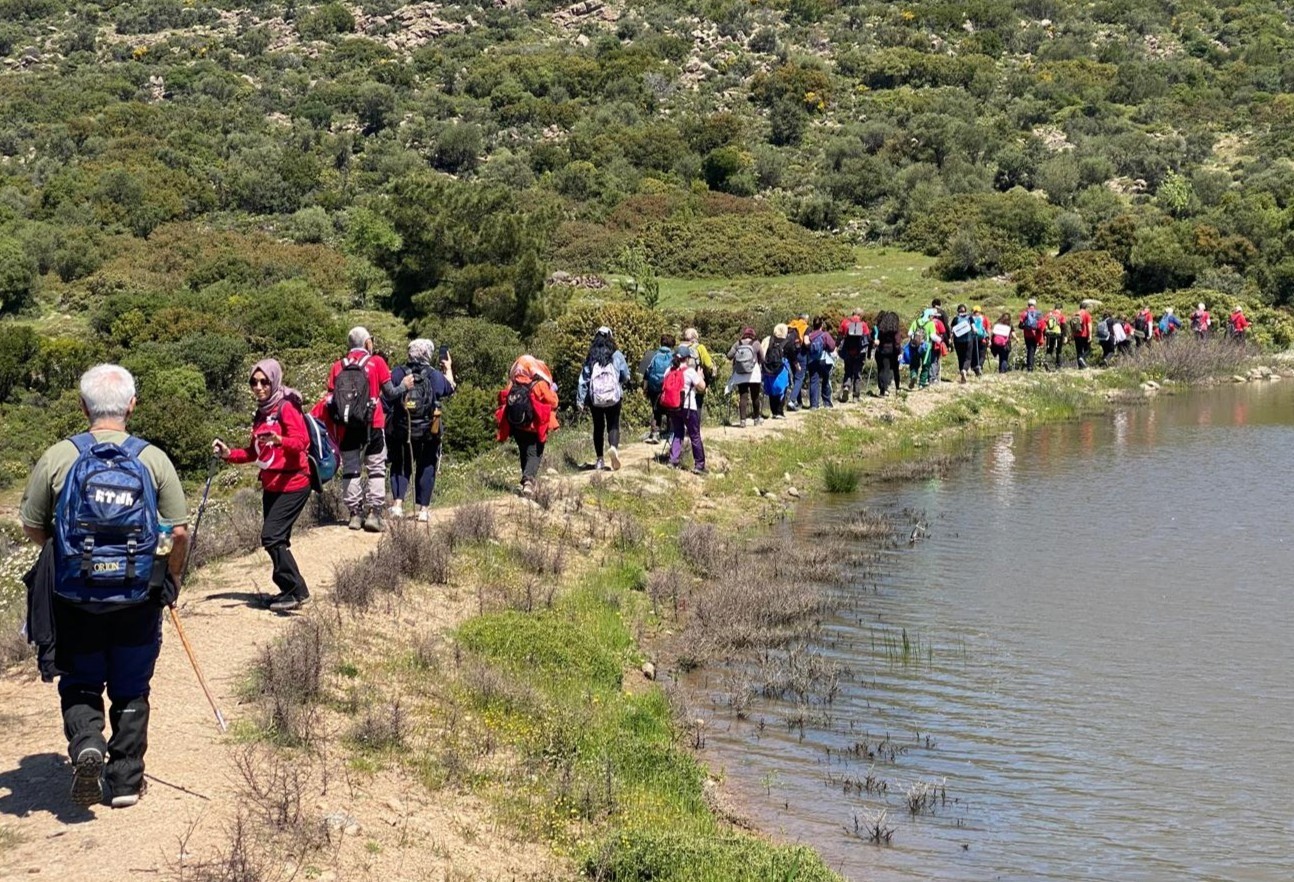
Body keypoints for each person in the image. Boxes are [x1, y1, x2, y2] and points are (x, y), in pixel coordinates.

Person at [20, 364, 189, 808]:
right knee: (131, 687)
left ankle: (87, 744)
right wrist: (172, 577)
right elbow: (179, 532)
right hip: (137, 596)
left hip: (74, 596)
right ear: (132, 405)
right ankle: (126, 782)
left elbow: (32, 525)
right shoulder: (153, 459)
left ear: (83, 407)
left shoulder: (59, 457)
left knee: (80, 681)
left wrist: (68, 552)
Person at [214, 359, 313, 610]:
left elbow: (301, 442)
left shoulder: (287, 407)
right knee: (277, 539)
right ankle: (288, 590)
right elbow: (253, 453)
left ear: (274, 381)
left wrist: (280, 440)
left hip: (294, 482)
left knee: (272, 536)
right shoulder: (261, 413)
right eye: (253, 382)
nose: (258, 387)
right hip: (272, 485)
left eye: (264, 382)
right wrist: (228, 454)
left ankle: (297, 590)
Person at [322, 327, 399, 533]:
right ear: (367, 343)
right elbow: (390, 393)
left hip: (347, 425)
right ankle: (374, 513)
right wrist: (405, 386)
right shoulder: (377, 362)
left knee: (351, 468)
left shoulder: (337, 366)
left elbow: (330, 399)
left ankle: (355, 514)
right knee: (376, 468)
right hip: (373, 422)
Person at [386, 339, 456, 521]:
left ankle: (397, 506)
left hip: (403, 429)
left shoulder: (398, 372)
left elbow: (387, 395)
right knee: (427, 466)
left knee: (400, 465)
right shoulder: (434, 375)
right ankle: (423, 510)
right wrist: (448, 369)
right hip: (428, 431)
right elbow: (449, 389)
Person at [495, 355, 559, 496]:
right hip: (533, 426)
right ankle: (528, 481)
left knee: (524, 452)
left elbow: (503, 399)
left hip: (516, 425)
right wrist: (553, 391)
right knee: (535, 453)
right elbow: (553, 402)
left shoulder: (513, 384)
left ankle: (526, 481)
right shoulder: (539, 384)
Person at [576, 326, 630, 471]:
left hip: (596, 399)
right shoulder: (617, 354)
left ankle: (600, 459)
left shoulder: (591, 355)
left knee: (598, 427)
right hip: (614, 397)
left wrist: (580, 401)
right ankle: (613, 448)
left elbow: (583, 380)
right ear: (610, 337)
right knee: (613, 425)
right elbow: (625, 375)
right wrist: (619, 382)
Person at [665, 345, 707, 474]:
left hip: (673, 406)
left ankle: (673, 460)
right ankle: (699, 465)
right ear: (687, 358)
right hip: (688, 407)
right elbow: (702, 387)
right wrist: (700, 376)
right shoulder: (690, 372)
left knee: (678, 432)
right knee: (695, 435)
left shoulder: (669, 370)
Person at [640, 334, 675, 444]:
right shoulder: (675, 356)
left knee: (656, 410)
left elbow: (644, 373)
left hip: (654, 387)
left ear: (660, 342)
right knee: (671, 410)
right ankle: (670, 433)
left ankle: (655, 433)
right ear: (672, 345)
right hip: (669, 387)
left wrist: (645, 388)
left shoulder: (650, 355)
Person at [726, 326, 764, 426]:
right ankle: (756, 419)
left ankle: (742, 420)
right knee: (755, 396)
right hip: (753, 372)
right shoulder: (756, 343)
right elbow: (762, 358)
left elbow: (729, 356)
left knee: (743, 396)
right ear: (753, 335)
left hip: (740, 372)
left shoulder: (738, 343)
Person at [760, 323, 793, 419]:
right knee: (782, 390)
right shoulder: (787, 342)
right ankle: (779, 411)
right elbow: (792, 355)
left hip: (768, 369)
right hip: (781, 370)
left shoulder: (768, 340)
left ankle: (774, 411)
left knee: (771, 391)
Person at [837, 310, 871, 401]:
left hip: (847, 351)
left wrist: (836, 347)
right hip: (859, 353)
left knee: (848, 370)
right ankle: (856, 396)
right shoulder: (863, 324)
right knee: (857, 374)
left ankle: (846, 387)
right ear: (860, 315)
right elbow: (868, 338)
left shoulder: (845, 322)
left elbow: (839, 336)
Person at [681, 328, 716, 411]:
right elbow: (708, 364)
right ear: (696, 336)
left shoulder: (680, 347)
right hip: (697, 379)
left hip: (682, 380)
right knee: (697, 404)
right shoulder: (700, 347)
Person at [805, 317, 837, 408]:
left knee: (814, 381)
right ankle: (827, 403)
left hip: (812, 360)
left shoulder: (809, 335)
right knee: (826, 380)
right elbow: (832, 347)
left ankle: (814, 405)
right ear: (821, 325)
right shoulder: (825, 334)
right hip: (824, 360)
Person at [873, 310, 902, 396]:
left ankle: (883, 389)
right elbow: (897, 342)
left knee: (883, 369)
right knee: (895, 370)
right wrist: (899, 352)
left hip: (882, 350)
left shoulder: (882, 329)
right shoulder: (895, 330)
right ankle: (897, 388)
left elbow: (878, 339)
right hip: (893, 351)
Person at [787, 313, 810, 410]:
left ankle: (798, 402)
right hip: (801, 354)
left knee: (796, 378)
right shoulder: (805, 327)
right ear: (805, 319)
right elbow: (806, 341)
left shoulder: (791, 325)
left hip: (791, 354)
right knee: (800, 378)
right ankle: (792, 401)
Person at [950, 304, 977, 383]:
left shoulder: (955, 319)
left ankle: (962, 372)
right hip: (968, 340)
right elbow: (974, 328)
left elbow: (952, 331)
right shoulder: (969, 317)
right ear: (965, 310)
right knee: (968, 357)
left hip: (958, 341)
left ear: (958, 311)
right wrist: (975, 332)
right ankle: (964, 370)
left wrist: (950, 340)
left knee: (960, 357)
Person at [1018, 298, 1045, 371]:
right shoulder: (1038, 313)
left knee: (1029, 350)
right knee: (1032, 350)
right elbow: (1042, 324)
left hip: (1026, 335)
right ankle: (1030, 367)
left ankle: (1029, 366)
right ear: (1035, 305)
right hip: (1035, 335)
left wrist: (1026, 327)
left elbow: (1020, 325)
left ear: (1028, 304)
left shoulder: (1024, 313)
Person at [1043, 303, 1067, 369]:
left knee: (1049, 349)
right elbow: (1064, 326)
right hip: (1058, 335)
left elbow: (1044, 324)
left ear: (1055, 308)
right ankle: (1058, 366)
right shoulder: (1061, 315)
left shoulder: (1049, 315)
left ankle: (1047, 362)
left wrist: (1044, 335)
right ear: (1061, 309)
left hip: (1049, 334)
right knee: (1059, 350)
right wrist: (1065, 336)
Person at [1070, 303, 1092, 369]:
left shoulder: (1075, 314)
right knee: (1088, 350)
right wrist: (1090, 335)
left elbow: (1072, 325)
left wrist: (1072, 334)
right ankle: (1082, 359)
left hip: (1076, 335)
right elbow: (1089, 325)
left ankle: (1080, 366)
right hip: (1084, 334)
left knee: (1079, 350)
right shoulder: (1087, 314)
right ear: (1086, 307)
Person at [971, 305, 989, 376]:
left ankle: (975, 368)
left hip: (972, 339)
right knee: (982, 355)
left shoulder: (970, 318)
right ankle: (979, 366)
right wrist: (988, 338)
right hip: (982, 339)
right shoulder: (984, 318)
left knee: (974, 354)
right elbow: (987, 329)